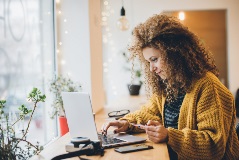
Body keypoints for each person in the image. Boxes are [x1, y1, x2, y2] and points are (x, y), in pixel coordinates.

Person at [101, 14, 239, 160]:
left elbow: (213, 145)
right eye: (148, 62)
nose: (151, 68)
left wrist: (169, 135)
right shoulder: (169, 84)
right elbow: (149, 112)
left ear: (175, 54)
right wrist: (126, 123)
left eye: (154, 60)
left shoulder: (208, 86)